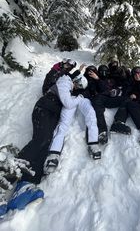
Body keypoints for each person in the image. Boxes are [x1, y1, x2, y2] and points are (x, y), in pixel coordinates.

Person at [6, 74, 91, 212]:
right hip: (44, 108)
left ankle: (27, 183)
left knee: (45, 144)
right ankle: (6, 178)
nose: (78, 88)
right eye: (80, 84)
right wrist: (79, 98)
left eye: (80, 88)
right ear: (77, 80)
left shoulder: (68, 89)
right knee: (40, 141)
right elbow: (68, 102)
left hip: (51, 113)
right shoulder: (65, 81)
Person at [91, 64, 131, 145]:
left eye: (105, 71)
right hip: (102, 99)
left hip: (112, 99)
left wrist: (117, 91)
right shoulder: (95, 80)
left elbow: (120, 86)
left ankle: (118, 122)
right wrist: (97, 79)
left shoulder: (112, 79)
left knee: (127, 99)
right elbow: (96, 90)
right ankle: (102, 131)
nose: (103, 73)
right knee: (97, 101)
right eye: (101, 72)